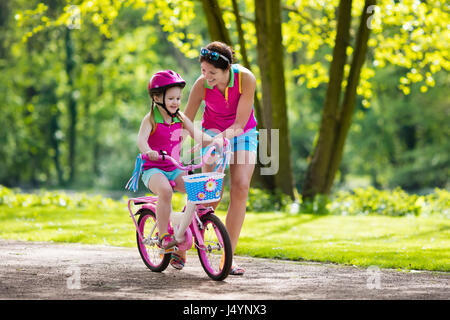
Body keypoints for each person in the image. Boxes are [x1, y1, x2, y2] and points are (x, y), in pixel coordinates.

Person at [184, 42, 258, 276]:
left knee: (241, 186)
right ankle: (182, 240)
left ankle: (228, 258)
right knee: (209, 196)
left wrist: (221, 140)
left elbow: (239, 124)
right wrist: (200, 139)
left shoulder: (246, 79)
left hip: (243, 134)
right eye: (203, 71)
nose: (206, 77)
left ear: (227, 69)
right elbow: (186, 119)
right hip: (212, 134)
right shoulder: (201, 85)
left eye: (212, 73)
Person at [136, 70, 221, 270]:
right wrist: (149, 151)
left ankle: (182, 226)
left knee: (196, 190)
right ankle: (165, 236)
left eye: (178, 98)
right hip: (153, 168)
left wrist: (216, 140)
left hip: (174, 167)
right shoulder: (150, 119)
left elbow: (197, 135)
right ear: (157, 98)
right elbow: (141, 140)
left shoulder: (180, 117)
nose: (176, 102)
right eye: (171, 98)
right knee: (165, 191)